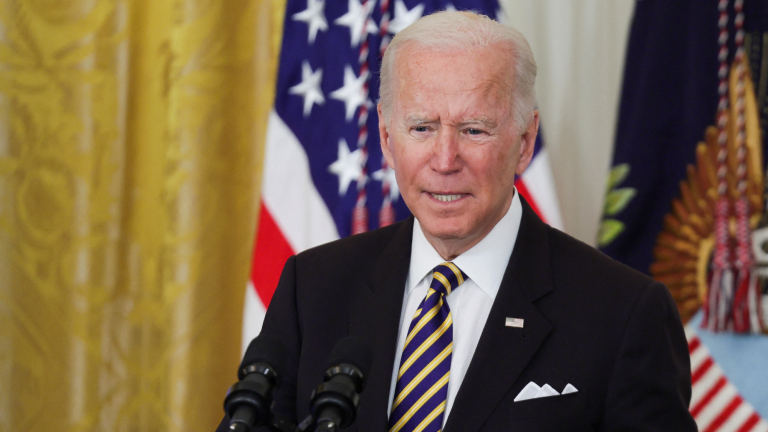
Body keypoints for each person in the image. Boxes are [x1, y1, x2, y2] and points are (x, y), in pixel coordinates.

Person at [219, 10, 696, 432]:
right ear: (387, 139)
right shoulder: (314, 285)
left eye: (474, 130)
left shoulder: (623, 312)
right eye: (422, 128)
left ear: (524, 142)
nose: (445, 160)